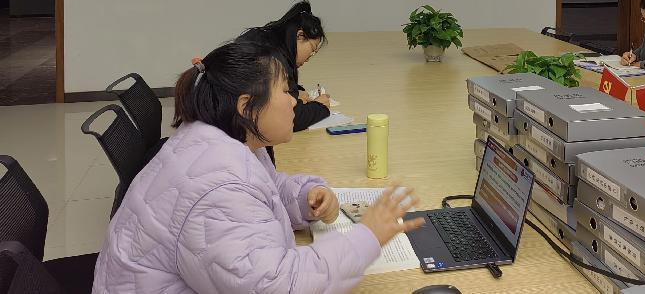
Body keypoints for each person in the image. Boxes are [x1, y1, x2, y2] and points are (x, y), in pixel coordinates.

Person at [92, 40, 422, 293]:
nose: (294, 101)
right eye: (285, 91)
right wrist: (367, 238)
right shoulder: (219, 190)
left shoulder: (223, 139)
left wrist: (305, 197)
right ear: (247, 107)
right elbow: (280, 286)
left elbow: (266, 188)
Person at [238, 0, 332, 161]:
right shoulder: (275, 61)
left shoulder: (262, 39)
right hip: (247, 145)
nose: (310, 57)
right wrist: (320, 107)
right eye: (312, 50)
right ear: (300, 36)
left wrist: (295, 92)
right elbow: (290, 118)